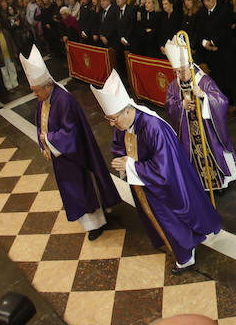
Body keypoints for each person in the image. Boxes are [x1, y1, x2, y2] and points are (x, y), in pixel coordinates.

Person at [94, 70, 222, 274]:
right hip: (143, 184)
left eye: (113, 118)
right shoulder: (124, 125)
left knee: (170, 220)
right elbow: (119, 145)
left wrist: (130, 166)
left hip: (163, 187)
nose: (112, 124)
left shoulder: (153, 128)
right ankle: (183, 249)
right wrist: (122, 160)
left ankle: (186, 257)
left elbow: (164, 168)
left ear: (127, 111)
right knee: (160, 220)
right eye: (109, 119)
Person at [20, 46, 120, 241]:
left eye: (36, 90)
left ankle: (96, 223)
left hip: (74, 156)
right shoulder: (45, 98)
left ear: (47, 85)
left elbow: (70, 133)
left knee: (82, 188)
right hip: (61, 157)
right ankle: (91, 221)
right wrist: (44, 141)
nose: (34, 95)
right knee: (73, 190)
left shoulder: (63, 100)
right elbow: (41, 122)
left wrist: (47, 139)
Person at [164, 36, 236, 192]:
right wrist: (180, 105)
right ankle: (200, 183)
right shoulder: (174, 86)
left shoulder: (204, 81)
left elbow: (222, 101)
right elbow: (168, 105)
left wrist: (204, 96)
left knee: (210, 151)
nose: (179, 74)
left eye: (182, 70)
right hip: (188, 132)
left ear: (189, 65)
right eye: (176, 71)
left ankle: (219, 183)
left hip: (207, 130)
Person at [197, 0, 236, 105]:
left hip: (225, 49)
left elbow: (226, 31)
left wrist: (213, 42)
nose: (206, 3)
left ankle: (235, 100)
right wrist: (205, 43)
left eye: (208, 0)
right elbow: (199, 30)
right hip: (210, 51)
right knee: (216, 76)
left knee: (229, 75)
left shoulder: (224, 10)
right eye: (204, 1)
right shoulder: (202, 12)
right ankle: (220, 101)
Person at [0, 19, 19, 91]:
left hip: (9, 54)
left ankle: (15, 84)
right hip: (0, 57)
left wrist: (15, 51)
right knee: (4, 73)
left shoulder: (5, 32)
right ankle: (9, 87)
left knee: (12, 69)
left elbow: (11, 42)